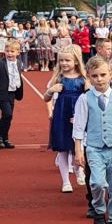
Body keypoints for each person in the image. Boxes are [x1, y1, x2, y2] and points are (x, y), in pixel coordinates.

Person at [73, 56, 112, 224]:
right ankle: (98, 208)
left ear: (110, 75)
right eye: (95, 76)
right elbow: (79, 126)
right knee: (96, 182)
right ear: (89, 77)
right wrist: (78, 149)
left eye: (103, 75)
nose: (100, 79)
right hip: (95, 147)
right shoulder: (85, 98)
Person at [45, 47, 87, 192]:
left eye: (67, 60)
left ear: (76, 61)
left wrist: (80, 116)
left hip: (77, 114)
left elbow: (88, 99)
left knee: (77, 146)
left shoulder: (83, 79)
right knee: (62, 148)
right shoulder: (58, 77)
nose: (64, 63)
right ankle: (65, 181)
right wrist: (51, 90)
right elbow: (46, 98)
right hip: (61, 114)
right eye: (61, 60)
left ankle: (78, 170)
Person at [0, 39, 24, 150]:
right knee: (7, 114)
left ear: (18, 52)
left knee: (8, 117)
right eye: (7, 51)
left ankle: (4, 138)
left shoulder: (18, 62)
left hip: (12, 92)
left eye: (12, 51)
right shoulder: (0, 62)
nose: (9, 53)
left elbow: (17, 75)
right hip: (1, 92)